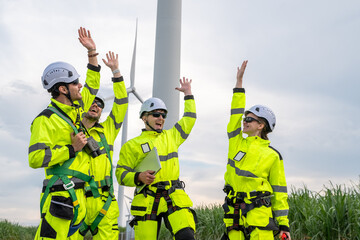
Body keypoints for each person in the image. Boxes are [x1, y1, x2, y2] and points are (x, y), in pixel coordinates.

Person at [28, 27, 101, 239]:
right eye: (75, 83)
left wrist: (92, 52)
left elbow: (93, 86)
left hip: (78, 197)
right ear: (62, 89)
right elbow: (35, 158)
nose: (80, 86)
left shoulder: (75, 111)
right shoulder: (45, 120)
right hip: (61, 198)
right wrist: (72, 149)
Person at [115, 77, 197, 240]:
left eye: (163, 115)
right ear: (144, 117)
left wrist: (188, 94)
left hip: (173, 196)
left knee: (187, 237)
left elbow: (189, 119)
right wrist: (138, 177)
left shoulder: (172, 136)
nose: (161, 118)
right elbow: (120, 174)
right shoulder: (131, 145)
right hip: (147, 199)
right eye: (156, 114)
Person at [222, 60, 291, 240]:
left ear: (261, 125)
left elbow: (280, 192)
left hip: (260, 220)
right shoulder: (236, 142)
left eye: (250, 119)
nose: (244, 121)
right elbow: (234, 115)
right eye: (245, 119)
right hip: (234, 218)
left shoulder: (273, 155)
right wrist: (239, 84)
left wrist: (283, 225)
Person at [76, 51, 128, 239]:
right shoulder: (70, 126)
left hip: (104, 202)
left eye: (100, 105)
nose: (96, 106)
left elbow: (121, 104)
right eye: (93, 102)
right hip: (76, 198)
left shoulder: (108, 130)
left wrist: (116, 72)